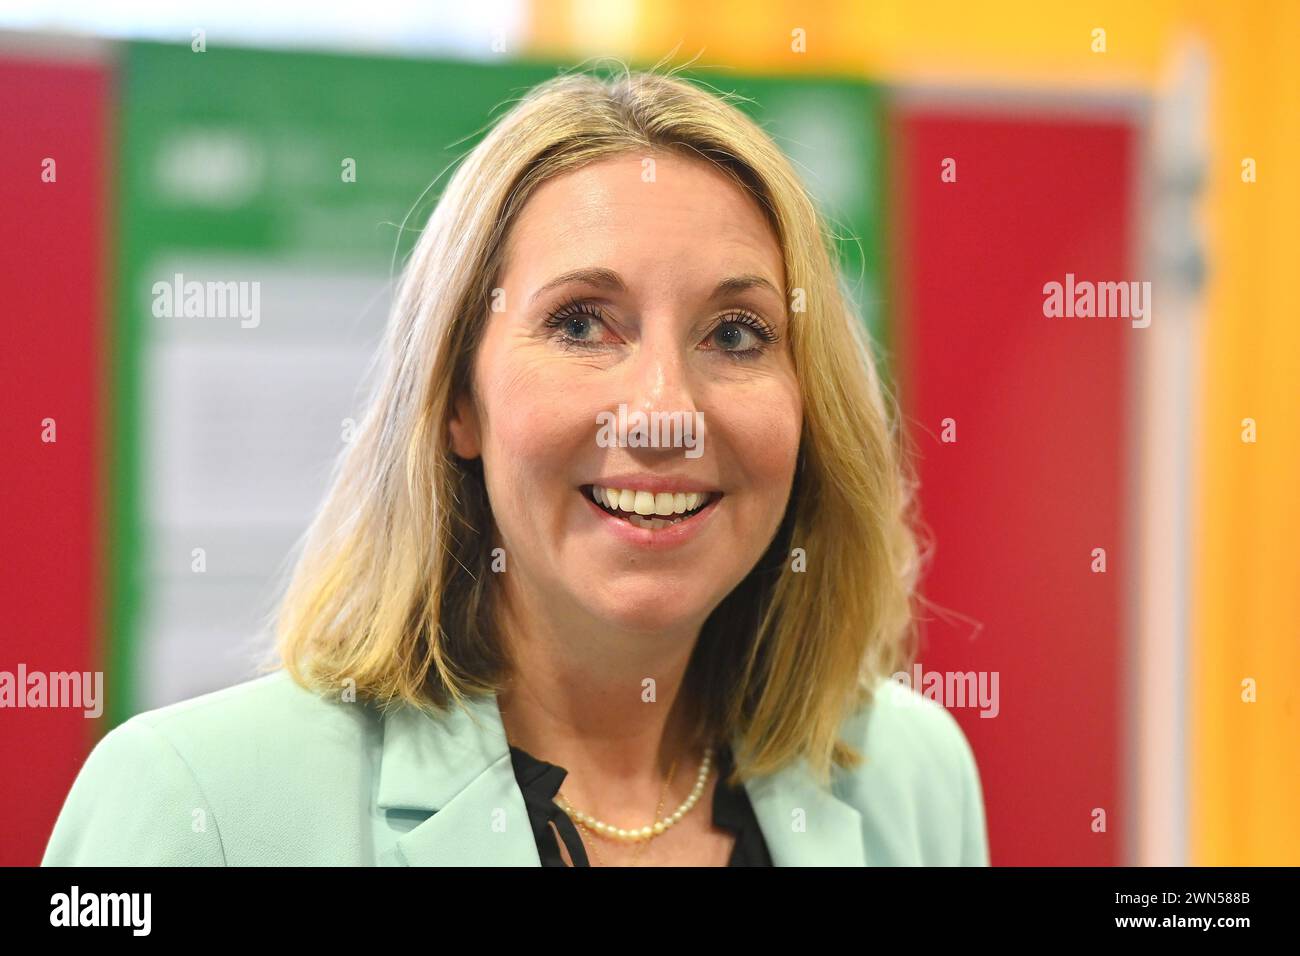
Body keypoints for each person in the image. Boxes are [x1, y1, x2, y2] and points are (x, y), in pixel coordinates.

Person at [43, 68, 989, 867]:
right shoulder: (196, 807)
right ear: (458, 401)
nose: (664, 413)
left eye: (736, 334)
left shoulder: (910, 779)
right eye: (581, 324)